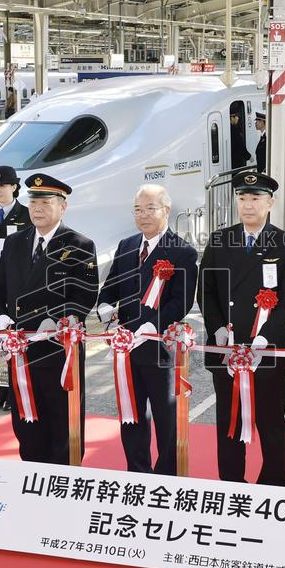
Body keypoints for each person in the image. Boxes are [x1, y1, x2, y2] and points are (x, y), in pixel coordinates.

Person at [197, 171, 285, 486]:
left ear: (270, 202)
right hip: (227, 350)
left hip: (266, 352)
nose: (248, 205)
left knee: (271, 424)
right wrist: (216, 328)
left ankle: (273, 486)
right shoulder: (219, 241)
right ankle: (231, 484)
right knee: (228, 424)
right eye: (242, 198)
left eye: (255, 198)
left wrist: (263, 339)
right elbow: (207, 290)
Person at [0, 174, 99, 463]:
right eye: (33, 201)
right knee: (26, 416)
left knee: (62, 416)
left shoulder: (80, 244)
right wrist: (1, 315)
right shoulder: (14, 243)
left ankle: (65, 475)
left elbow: (86, 294)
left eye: (46, 202)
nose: (37, 208)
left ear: (63, 207)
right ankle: (32, 472)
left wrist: (57, 318)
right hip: (21, 347)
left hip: (58, 348)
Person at [96, 185, 198, 475]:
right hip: (126, 349)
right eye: (138, 209)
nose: (143, 215)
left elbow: (182, 301)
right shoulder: (127, 246)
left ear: (166, 210)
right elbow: (110, 288)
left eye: (150, 208)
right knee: (132, 416)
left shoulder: (183, 252)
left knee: (167, 420)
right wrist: (104, 310)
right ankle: (137, 472)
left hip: (159, 349)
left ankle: (166, 475)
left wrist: (153, 326)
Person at [0, 166, 33, 411]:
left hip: (16, 279)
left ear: (14, 187)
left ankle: (16, 390)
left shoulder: (26, 213)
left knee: (16, 336)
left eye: (2, 186)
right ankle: (2, 390)